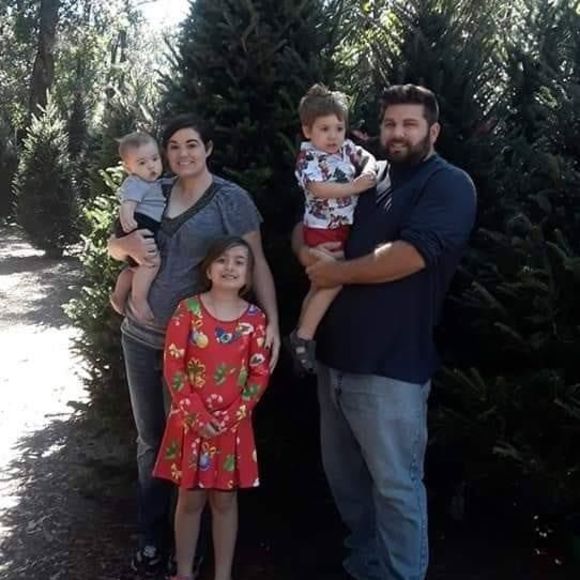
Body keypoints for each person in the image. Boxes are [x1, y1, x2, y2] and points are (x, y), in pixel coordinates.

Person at [292, 84, 477, 580]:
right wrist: (308, 254)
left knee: (396, 488)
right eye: (390, 123)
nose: (397, 133)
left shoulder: (448, 185)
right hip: (333, 359)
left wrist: (337, 272)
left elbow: (409, 256)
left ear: (433, 131)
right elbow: (307, 220)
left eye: (410, 124)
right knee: (347, 482)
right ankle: (364, 565)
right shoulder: (367, 175)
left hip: (391, 367)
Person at [108, 115, 280, 576]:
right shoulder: (154, 188)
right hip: (140, 336)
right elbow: (115, 245)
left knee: (188, 443)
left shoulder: (230, 200)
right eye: (173, 146)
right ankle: (152, 537)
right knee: (150, 440)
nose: (182, 154)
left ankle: (189, 550)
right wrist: (127, 253)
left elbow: (257, 262)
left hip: (194, 352)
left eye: (191, 145)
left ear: (208, 148)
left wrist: (273, 323)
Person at [154, 236, 271, 580]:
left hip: (232, 427)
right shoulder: (187, 311)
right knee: (190, 499)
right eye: (222, 260)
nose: (230, 267)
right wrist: (197, 415)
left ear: (248, 275)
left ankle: (223, 574)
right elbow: (173, 366)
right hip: (191, 424)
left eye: (239, 262)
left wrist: (233, 415)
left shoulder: (255, 319)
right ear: (208, 269)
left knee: (225, 501)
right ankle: (184, 572)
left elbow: (259, 373)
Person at [288, 84, 377, 374]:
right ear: (308, 130)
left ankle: (300, 335)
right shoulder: (308, 158)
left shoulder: (346, 149)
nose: (333, 136)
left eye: (339, 128)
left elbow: (368, 158)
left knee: (319, 285)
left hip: (342, 228)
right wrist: (354, 187)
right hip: (322, 230)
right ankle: (304, 338)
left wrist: (368, 171)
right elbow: (317, 188)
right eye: (325, 129)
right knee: (334, 279)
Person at [110, 131, 166, 322]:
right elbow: (128, 203)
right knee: (151, 262)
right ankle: (138, 299)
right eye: (142, 163)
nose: (151, 165)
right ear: (128, 168)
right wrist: (127, 219)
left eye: (155, 159)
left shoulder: (152, 182)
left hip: (141, 223)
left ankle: (118, 296)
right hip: (139, 223)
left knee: (135, 268)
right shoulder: (136, 182)